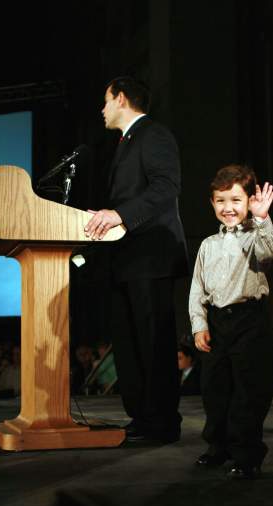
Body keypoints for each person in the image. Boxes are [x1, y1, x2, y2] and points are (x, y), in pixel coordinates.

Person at [84, 76, 188, 443]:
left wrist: (119, 214)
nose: (102, 109)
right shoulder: (125, 143)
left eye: (106, 100)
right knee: (129, 344)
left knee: (154, 342)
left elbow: (166, 186)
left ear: (122, 98)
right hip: (125, 261)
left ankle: (162, 422)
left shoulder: (153, 134)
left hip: (151, 257)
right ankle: (142, 417)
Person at [189, 164, 273, 480]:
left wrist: (262, 218)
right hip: (217, 322)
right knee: (214, 389)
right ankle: (219, 447)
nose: (228, 208)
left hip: (249, 320)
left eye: (235, 200)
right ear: (211, 203)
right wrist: (199, 324)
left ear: (249, 201)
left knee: (248, 391)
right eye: (220, 200)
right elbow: (196, 290)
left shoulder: (256, 237)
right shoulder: (207, 245)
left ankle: (247, 454)